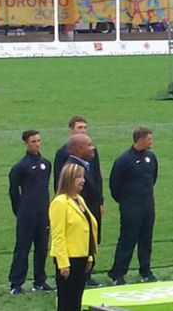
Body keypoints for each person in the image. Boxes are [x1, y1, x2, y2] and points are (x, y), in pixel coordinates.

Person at [54, 116, 104, 287]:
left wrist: (100, 201)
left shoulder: (89, 159)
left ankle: (88, 273)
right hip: (75, 218)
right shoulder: (69, 163)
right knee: (70, 295)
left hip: (88, 209)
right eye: (80, 127)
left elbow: (98, 178)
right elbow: (58, 236)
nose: (93, 148)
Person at [107, 127, 159, 285]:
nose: (151, 141)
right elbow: (114, 185)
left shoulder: (151, 157)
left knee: (146, 239)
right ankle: (117, 273)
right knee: (127, 240)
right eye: (149, 139)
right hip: (131, 207)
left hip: (148, 205)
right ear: (140, 139)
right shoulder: (124, 159)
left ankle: (145, 271)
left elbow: (153, 178)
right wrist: (126, 201)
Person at [8, 130, 53, 295]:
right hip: (27, 215)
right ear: (26, 143)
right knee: (22, 248)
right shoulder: (20, 167)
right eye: (33, 141)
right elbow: (13, 191)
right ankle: (16, 283)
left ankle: (40, 281)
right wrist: (19, 211)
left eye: (39, 140)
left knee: (42, 248)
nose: (37, 144)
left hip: (43, 214)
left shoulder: (46, 163)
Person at [49, 163, 98, 311]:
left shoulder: (79, 199)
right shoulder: (60, 202)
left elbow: (87, 229)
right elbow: (58, 235)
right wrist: (63, 263)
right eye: (78, 177)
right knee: (67, 302)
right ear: (69, 180)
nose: (82, 180)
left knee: (76, 300)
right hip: (69, 260)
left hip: (82, 257)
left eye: (82, 177)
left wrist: (89, 256)